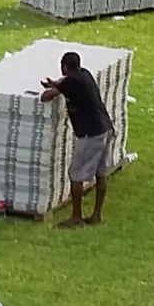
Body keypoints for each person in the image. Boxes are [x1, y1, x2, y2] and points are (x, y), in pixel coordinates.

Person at [39, 51, 114, 228]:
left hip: (90, 134)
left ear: (64, 66)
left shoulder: (71, 82)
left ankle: (76, 217)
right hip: (105, 128)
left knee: (76, 174)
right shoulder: (84, 74)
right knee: (100, 173)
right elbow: (64, 84)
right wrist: (56, 83)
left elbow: (46, 97)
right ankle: (96, 215)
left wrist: (52, 88)